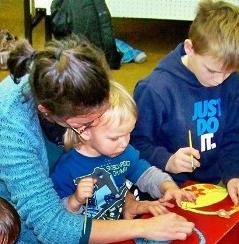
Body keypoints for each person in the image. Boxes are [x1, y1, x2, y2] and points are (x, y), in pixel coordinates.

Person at [0, 36, 195, 244]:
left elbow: (120, 166)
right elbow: (51, 225)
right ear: (47, 111)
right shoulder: (5, 124)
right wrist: (143, 229)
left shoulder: (73, 76)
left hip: (72, 209)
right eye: (88, 122)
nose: (97, 124)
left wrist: (131, 201)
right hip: (6, 230)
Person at [130, 0, 239, 208]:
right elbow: (133, 145)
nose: (220, 80)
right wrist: (167, 160)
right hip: (166, 188)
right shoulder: (154, 89)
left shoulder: (232, 83)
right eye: (213, 71)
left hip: (210, 187)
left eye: (229, 72)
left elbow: (235, 136)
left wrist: (236, 175)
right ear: (190, 48)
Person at [51, 81, 194, 219]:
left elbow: (145, 173)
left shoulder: (124, 152)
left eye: (128, 133)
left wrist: (167, 186)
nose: (125, 143)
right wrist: (75, 200)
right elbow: (56, 217)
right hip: (90, 239)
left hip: (122, 224)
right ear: (85, 131)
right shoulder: (67, 167)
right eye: (115, 138)